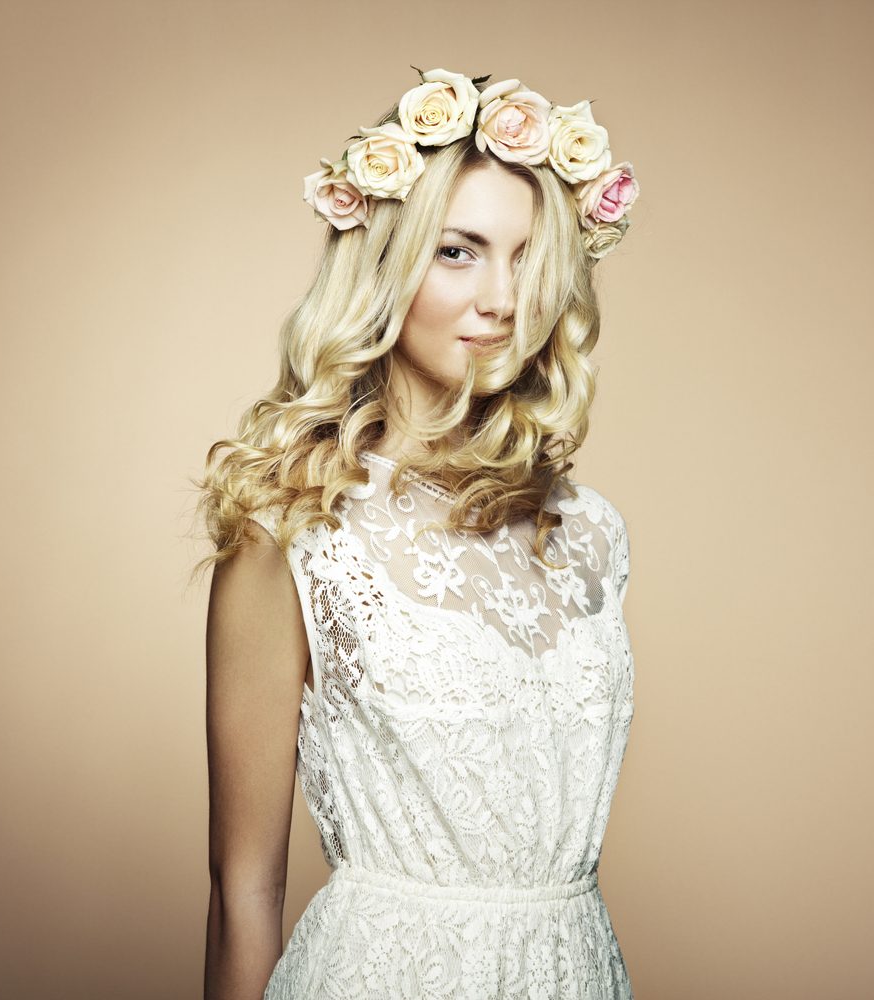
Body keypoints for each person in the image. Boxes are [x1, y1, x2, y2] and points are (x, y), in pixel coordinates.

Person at [193, 67, 641, 1000]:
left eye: (527, 257)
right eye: (458, 251)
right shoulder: (292, 534)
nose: (503, 298)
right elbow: (246, 886)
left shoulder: (592, 534)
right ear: (386, 264)